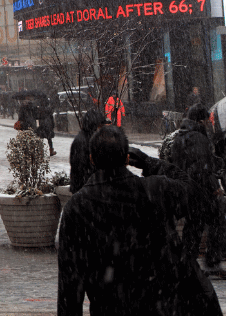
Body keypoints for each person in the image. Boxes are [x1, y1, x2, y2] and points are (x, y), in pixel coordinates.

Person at [58, 124, 221, 315]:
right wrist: (150, 163)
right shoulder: (155, 190)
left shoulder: (77, 208)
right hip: (161, 305)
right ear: (127, 158)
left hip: (110, 308)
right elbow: (196, 197)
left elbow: (70, 286)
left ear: (92, 159)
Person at [169, 105, 225, 266]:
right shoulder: (198, 138)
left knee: (193, 226)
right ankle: (211, 258)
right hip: (199, 191)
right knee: (216, 218)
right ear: (201, 120)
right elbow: (202, 166)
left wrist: (217, 161)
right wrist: (215, 187)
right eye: (208, 120)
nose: (209, 123)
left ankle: (188, 262)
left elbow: (194, 161)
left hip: (186, 189)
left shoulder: (181, 137)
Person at [69, 110, 107, 193]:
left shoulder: (89, 138)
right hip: (85, 190)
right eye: (101, 126)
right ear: (94, 125)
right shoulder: (83, 142)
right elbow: (81, 169)